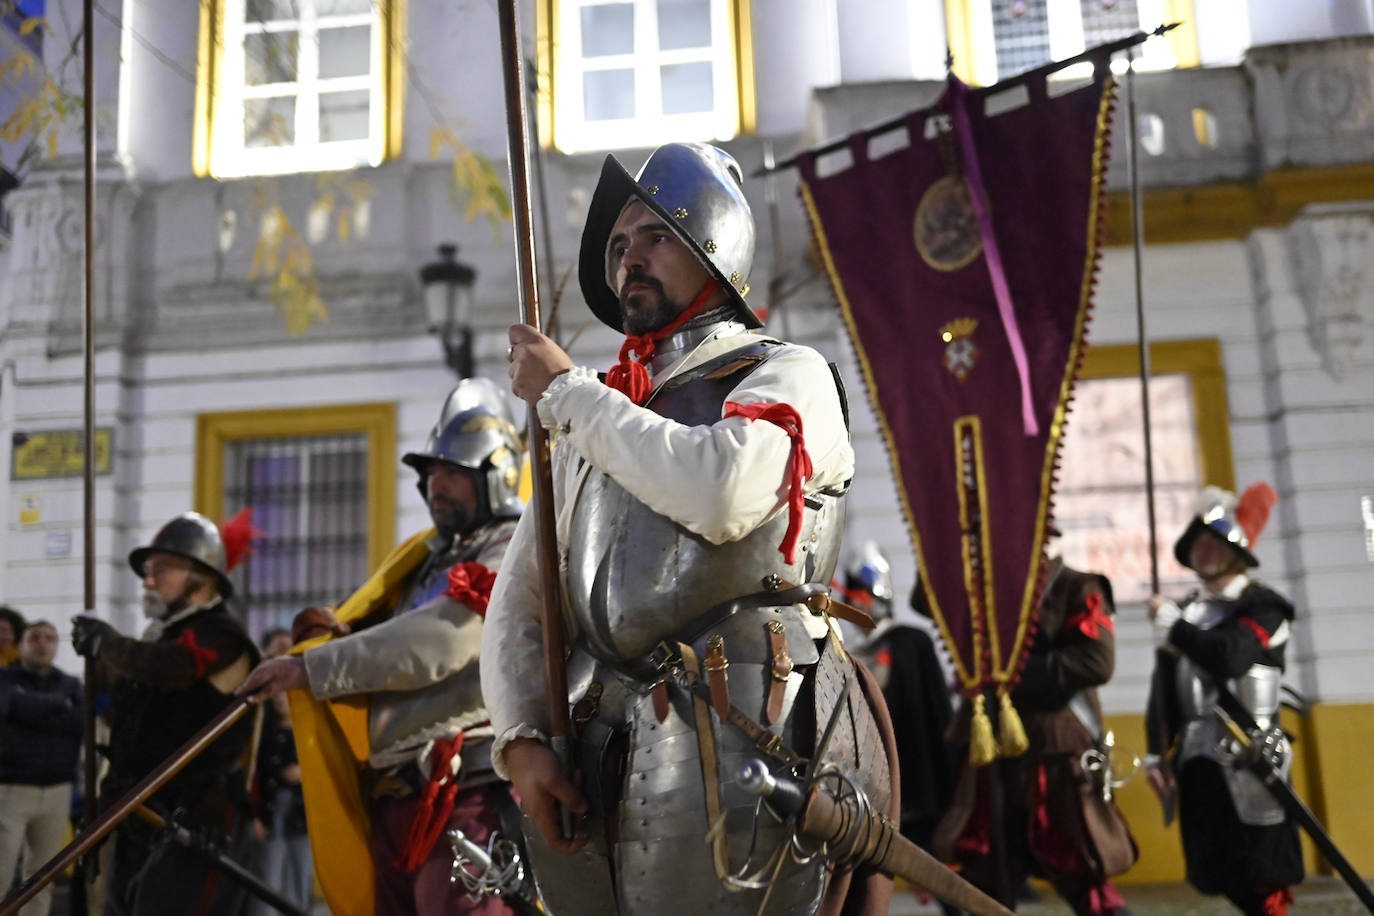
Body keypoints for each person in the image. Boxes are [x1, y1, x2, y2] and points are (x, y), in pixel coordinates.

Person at [486, 141, 898, 916]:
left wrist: (570, 397)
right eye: (616, 246)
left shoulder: (784, 371)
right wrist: (523, 740)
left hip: (741, 711)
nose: (627, 259)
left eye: (654, 236)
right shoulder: (606, 407)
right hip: (596, 728)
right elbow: (525, 592)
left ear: (715, 246)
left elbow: (722, 491)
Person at [238, 378, 526, 916]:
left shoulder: (512, 544)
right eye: (432, 472)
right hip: (397, 796)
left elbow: (442, 640)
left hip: (465, 792)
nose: (437, 484)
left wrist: (313, 667)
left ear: (498, 473)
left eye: (455, 471)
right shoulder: (425, 562)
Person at [72, 511, 260, 916]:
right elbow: (129, 724)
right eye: (148, 571)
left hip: (197, 816)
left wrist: (107, 644)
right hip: (139, 810)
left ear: (201, 578)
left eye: (163, 569)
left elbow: (171, 668)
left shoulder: (221, 634)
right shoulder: (157, 639)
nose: (149, 580)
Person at [933, 552, 1135, 916]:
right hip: (988, 750)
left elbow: (1096, 662)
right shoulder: (977, 587)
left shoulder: (1076, 586)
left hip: (1056, 753)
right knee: (984, 875)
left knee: (1083, 871)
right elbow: (926, 599)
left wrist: (1009, 673)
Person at [1145, 483, 1303, 916]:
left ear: (1237, 551)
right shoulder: (1188, 612)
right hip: (1197, 760)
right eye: (1197, 540)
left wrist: (1174, 628)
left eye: (1214, 540)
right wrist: (1156, 753)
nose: (1204, 548)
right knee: (1220, 871)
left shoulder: (1264, 606)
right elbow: (1164, 691)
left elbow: (1229, 657)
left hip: (1251, 756)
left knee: (1262, 874)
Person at [836, 548, 960, 916]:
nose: (859, 607)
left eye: (863, 598)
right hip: (868, 775)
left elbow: (930, 709)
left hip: (916, 771)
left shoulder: (908, 641)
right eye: (852, 599)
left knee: (935, 866)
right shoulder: (850, 650)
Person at [0, 620, 83, 916]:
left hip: (57, 789)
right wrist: (59, 705)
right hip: (12, 787)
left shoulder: (70, 683)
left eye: (49, 638)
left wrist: (31, 710)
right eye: (35, 637)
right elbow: (11, 707)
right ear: (21, 644)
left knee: (42, 877)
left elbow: (78, 723)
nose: (42, 644)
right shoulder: (5, 679)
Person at [248, 628, 313, 916]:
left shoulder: (311, 724)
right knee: (268, 880)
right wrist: (253, 815)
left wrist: (306, 771)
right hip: (270, 812)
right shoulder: (261, 725)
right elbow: (253, 771)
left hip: (303, 815)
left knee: (300, 879)